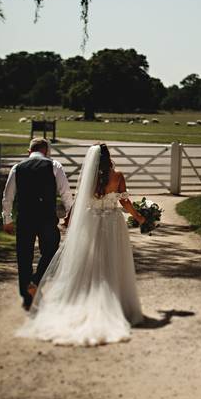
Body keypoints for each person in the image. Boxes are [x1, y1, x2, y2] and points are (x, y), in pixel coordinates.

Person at [16, 143, 148, 346]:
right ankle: (114, 303)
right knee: (111, 260)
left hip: (91, 221)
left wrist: (69, 219)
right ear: (108, 157)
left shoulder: (88, 177)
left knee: (89, 260)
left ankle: (83, 298)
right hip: (112, 223)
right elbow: (124, 202)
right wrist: (139, 217)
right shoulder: (118, 175)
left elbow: (78, 201)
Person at [2, 137, 74, 311]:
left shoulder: (17, 168)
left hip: (25, 217)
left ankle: (28, 297)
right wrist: (70, 215)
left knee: (24, 256)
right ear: (46, 151)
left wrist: (7, 219)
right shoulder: (54, 166)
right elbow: (66, 194)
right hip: (47, 217)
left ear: (29, 151)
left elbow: (8, 195)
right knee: (51, 250)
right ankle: (35, 281)